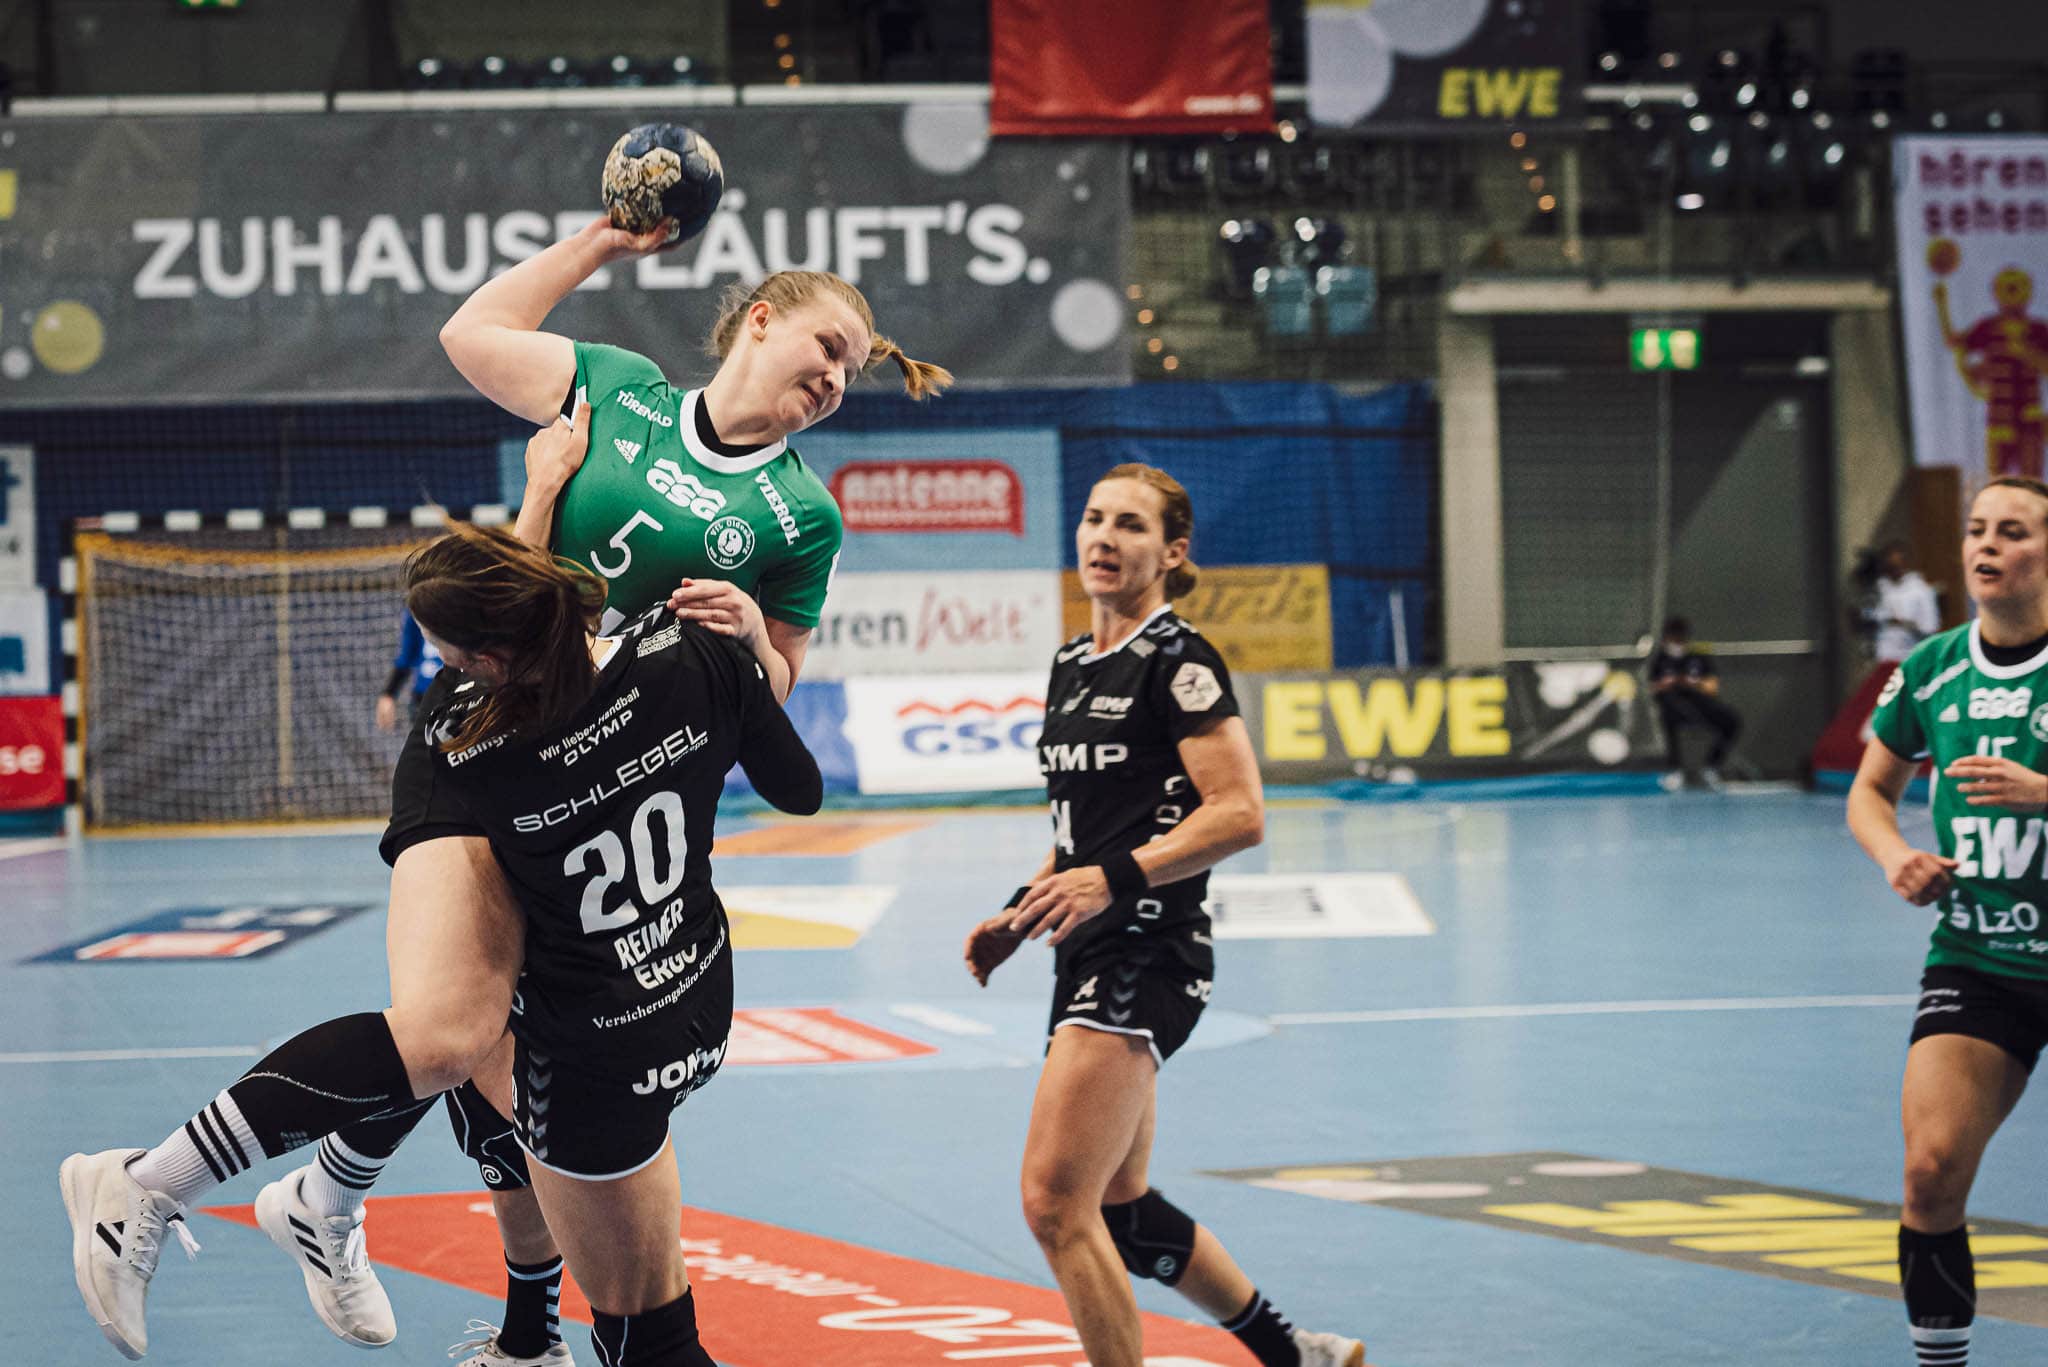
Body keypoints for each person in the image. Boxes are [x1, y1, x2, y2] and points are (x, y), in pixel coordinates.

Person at [262, 218, 951, 1367]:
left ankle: (427, 1253)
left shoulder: (801, 515)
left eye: (852, 368)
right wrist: (600, 243)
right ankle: (367, 1220)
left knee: (516, 1059)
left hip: (617, 793)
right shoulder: (620, 391)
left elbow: (775, 689)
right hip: (499, 753)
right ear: (760, 318)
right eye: (827, 344)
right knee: (464, 1028)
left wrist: (751, 636)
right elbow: (471, 333)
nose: (836, 376)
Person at [61, 521, 822, 1365]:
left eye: (447, 656)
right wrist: (753, 647)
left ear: (485, 661)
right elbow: (800, 788)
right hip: (686, 1006)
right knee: (462, 1034)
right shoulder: (694, 647)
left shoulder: (466, 746)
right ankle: (296, 1211)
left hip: (596, 1064)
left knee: (455, 1035)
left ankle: (288, 1194)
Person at [960, 465, 1365, 1367]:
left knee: (1054, 1203)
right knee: (1122, 1211)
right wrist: (1019, 914)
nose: (1105, 537)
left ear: (1173, 551)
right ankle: (1298, 1353)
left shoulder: (1179, 660)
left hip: (1147, 951)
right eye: (1095, 518)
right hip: (1086, 950)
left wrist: (1111, 880)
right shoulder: (1072, 663)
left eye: (1132, 525)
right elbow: (1085, 835)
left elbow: (1241, 812)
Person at [1847, 475, 2048, 1367]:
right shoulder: (1931, 669)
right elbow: (1870, 791)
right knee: (1929, 1173)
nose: (1987, 545)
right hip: (1980, 954)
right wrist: (1897, 855)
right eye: (1976, 529)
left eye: (2013, 531)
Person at [1647, 616, 1742, 790]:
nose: (1677, 641)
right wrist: (1668, 683)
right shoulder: (1661, 659)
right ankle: (1675, 770)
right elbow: (1652, 688)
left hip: (1701, 704)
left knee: (1731, 720)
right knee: (1667, 719)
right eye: (1673, 636)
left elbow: (1712, 687)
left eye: (1680, 636)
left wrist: (1692, 683)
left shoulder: (1697, 658)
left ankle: (1710, 768)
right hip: (1673, 707)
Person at [1869, 542, 1942, 665]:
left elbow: (1931, 628)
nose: (1893, 571)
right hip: (1884, 659)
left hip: (1910, 658)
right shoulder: (1880, 590)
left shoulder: (1921, 590)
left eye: (1896, 566)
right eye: (1889, 567)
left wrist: (1905, 624)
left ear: (1905, 564)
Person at [374, 609, 443, 733]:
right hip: (424, 697)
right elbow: (407, 655)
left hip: (461, 695)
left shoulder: (466, 605)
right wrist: (389, 693)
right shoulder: (417, 608)